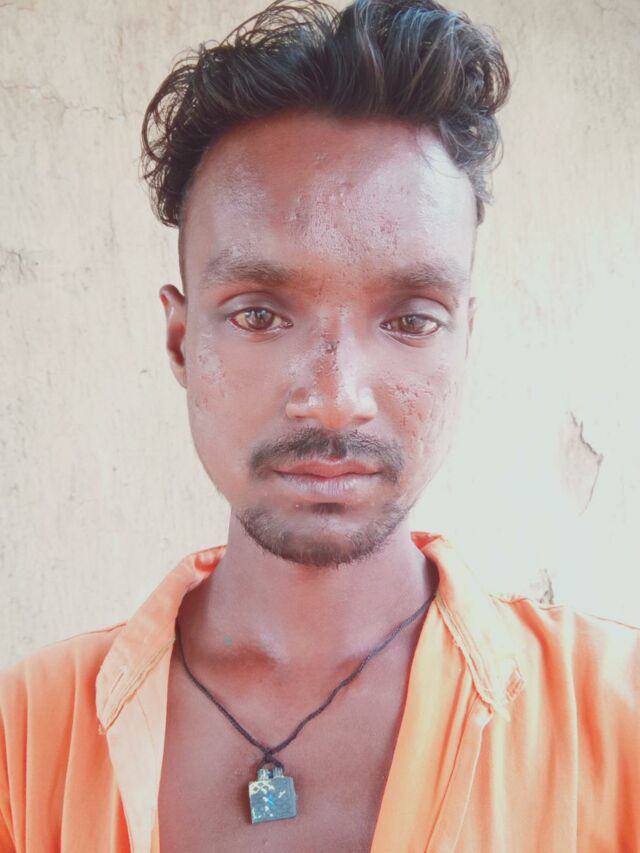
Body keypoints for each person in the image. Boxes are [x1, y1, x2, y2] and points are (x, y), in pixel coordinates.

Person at [1, 0, 639, 850]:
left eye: (410, 319)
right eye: (260, 314)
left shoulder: (618, 719)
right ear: (182, 340)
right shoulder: (26, 734)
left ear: (464, 342)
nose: (336, 399)